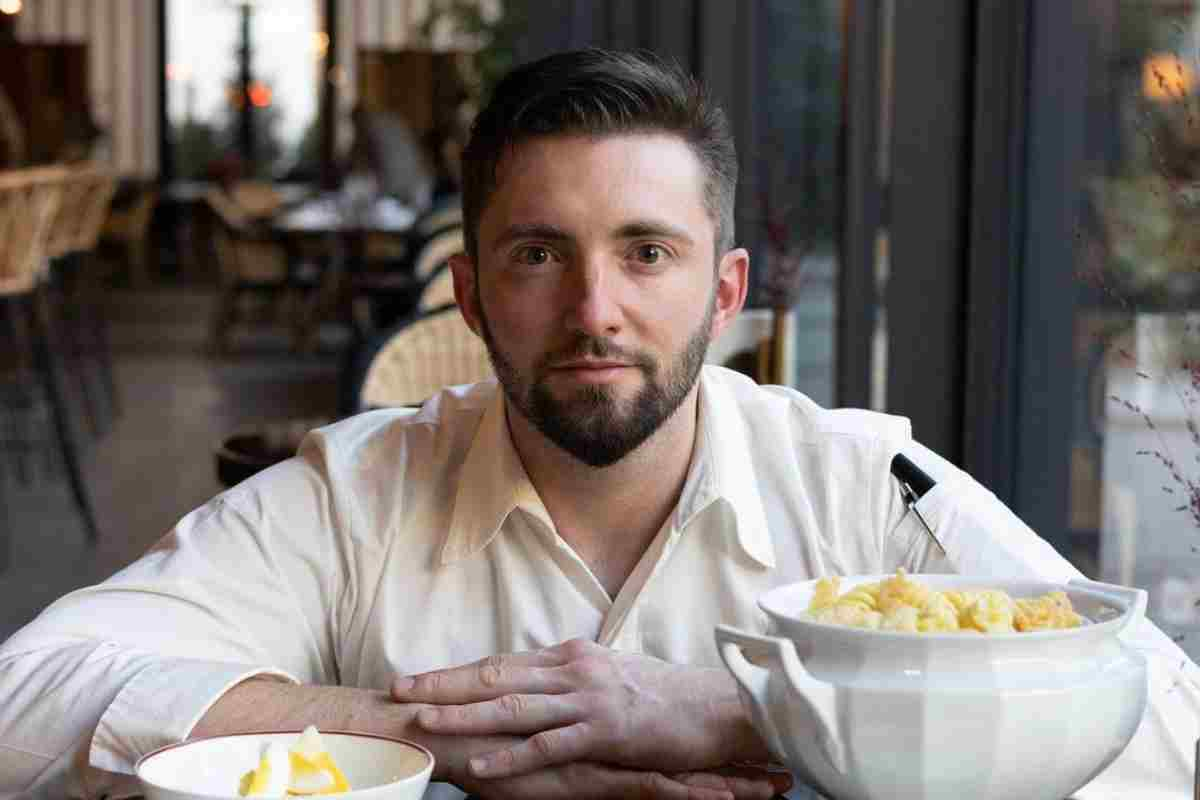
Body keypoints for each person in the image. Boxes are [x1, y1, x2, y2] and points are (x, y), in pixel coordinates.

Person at [0, 48, 1197, 800]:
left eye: (646, 252)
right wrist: (444, 741)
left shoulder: (866, 485)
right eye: (537, 254)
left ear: (724, 292)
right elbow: (27, 694)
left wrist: (754, 718)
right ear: (469, 295)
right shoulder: (354, 491)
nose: (594, 309)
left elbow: (1169, 730)